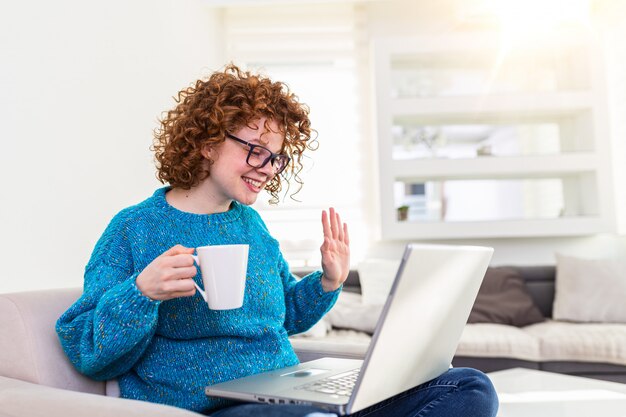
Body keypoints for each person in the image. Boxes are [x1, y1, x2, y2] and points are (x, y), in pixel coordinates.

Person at [56, 64, 498, 417]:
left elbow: (282, 316)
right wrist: (140, 293)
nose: (268, 168)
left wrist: (326, 281)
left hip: (288, 392)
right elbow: (86, 350)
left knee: (469, 387)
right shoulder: (133, 228)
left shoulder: (252, 226)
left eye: (277, 158)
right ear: (207, 142)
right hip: (218, 407)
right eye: (255, 150)